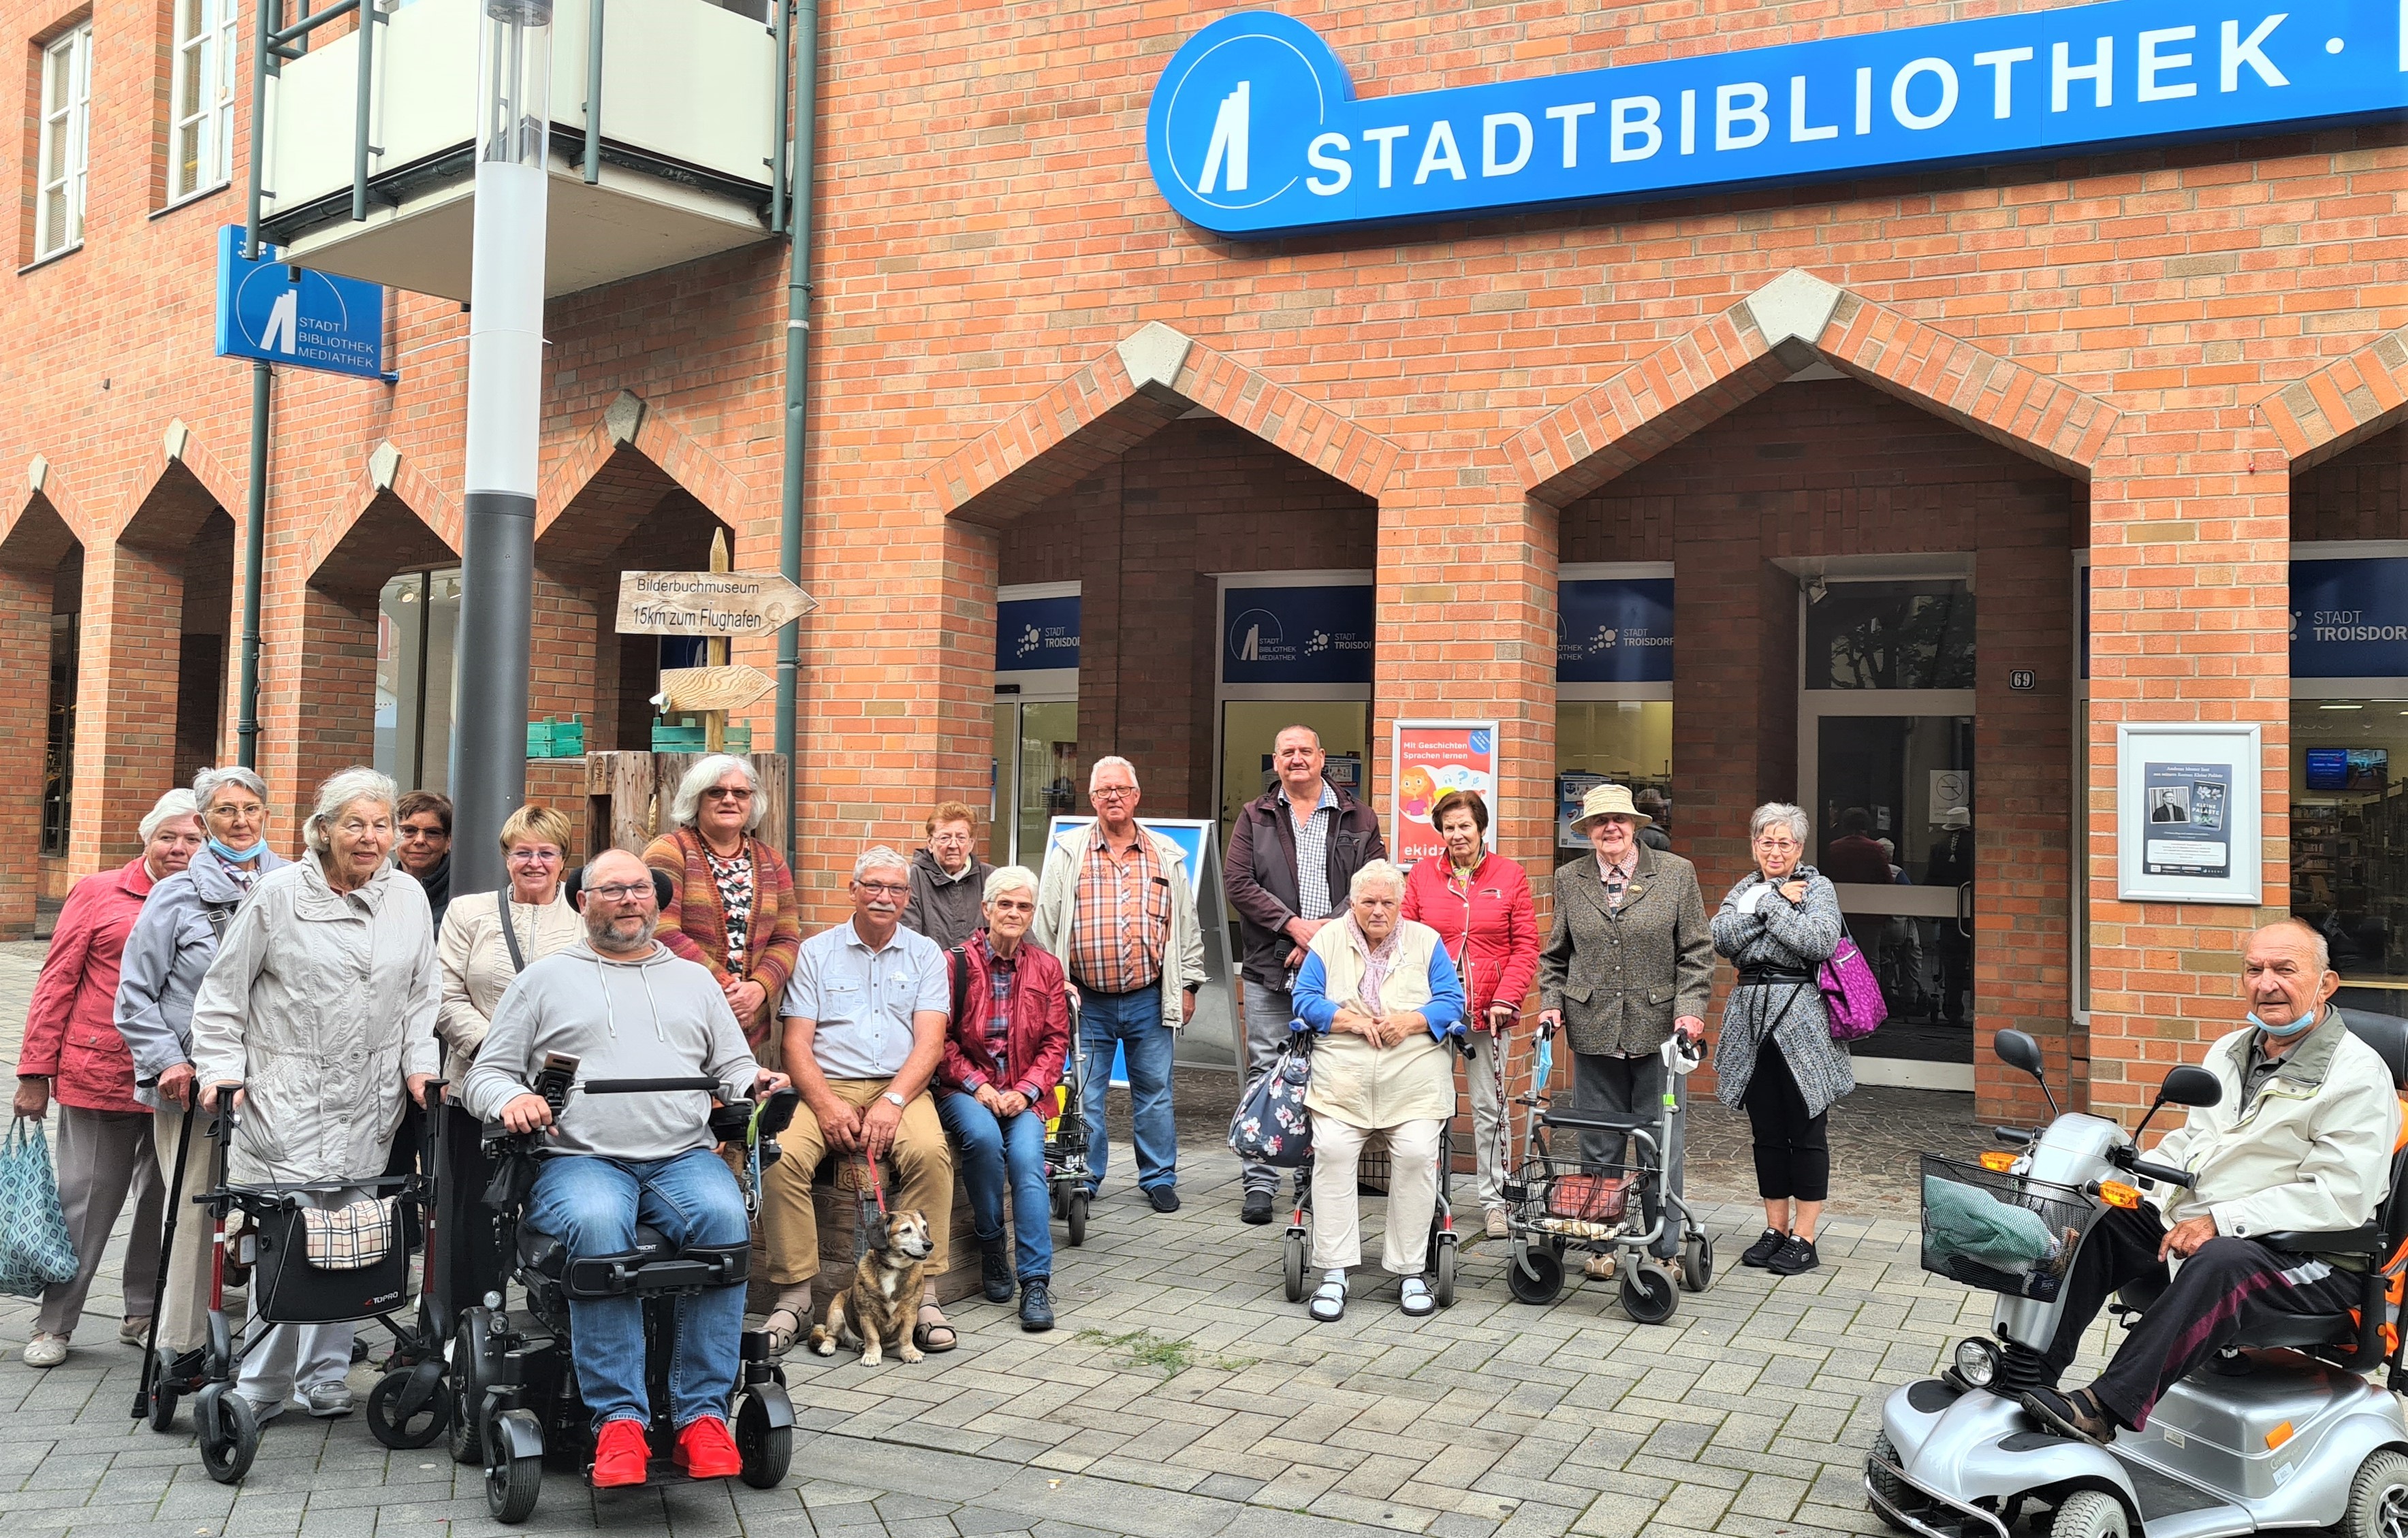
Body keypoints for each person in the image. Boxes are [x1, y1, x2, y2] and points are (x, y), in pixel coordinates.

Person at [462, 847, 790, 1489]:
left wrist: (756, 1080)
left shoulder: (694, 981)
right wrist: (513, 1097)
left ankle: (701, 1416)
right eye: (613, 890)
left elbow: (731, 1067)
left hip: (681, 1154)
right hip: (580, 1159)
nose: (629, 901)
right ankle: (618, 1422)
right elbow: (486, 1073)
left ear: (657, 899)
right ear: (583, 901)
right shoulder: (545, 979)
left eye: (640, 889)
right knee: (598, 1224)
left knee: (725, 1218)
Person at [2021, 920, 2401, 1444]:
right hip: (2215, 1229)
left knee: (2222, 1261)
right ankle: (2026, 1376)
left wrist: (2223, 1219)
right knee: (2102, 1220)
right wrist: (2128, 1177)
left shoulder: (2357, 1074)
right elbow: (2196, 1142)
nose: (2266, 983)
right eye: (2255, 969)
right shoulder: (2229, 1051)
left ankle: (2104, 1408)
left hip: (2314, 1257)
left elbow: (2340, 1195)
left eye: (2285, 969)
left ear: (2326, 983)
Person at [189, 767, 439, 1425]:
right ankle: (262, 1384)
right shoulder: (278, 893)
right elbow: (222, 994)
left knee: (352, 1235)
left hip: (370, 1094)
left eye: (381, 824)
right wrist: (219, 1069)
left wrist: (421, 1067)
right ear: (323, 829)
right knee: (289, 1232)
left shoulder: (408, 897)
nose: (371, 836)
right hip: (287, 1092)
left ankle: (325, 1373)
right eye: (355, 823)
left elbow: (422, 996)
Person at [12, 789, 203, 1367]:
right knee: (85, 1200)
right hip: (102, 1072)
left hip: (181, 1080)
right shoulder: (99, 892)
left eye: (193, 838)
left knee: (162, 1200)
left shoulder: (212, 896)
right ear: (147, 838)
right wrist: (33, 1072)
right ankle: (55, 1323)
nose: (180, 848)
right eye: (169, 836)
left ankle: (143, 1312)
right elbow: (55, 983)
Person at [116, 765, 289, 1382]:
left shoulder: (295, 882)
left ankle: (281, 1346)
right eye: (224, 811)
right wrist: (169, 1059)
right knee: (197, 1215)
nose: (240, 821)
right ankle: (182, 1347)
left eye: (250, 809)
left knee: (280, 1210)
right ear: (204, 819)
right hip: (194, 1089)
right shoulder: (176, 893)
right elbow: (134, 995)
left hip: (277, 1084)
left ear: (267, 815)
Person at [759, 846, 960, 1356]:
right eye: (872, 885)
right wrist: (825, 1104)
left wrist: (894, 1101)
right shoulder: (816, 951)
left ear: (908, 898)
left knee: (930, 1155)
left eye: (895, 888)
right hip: (828, 1083)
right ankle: (796, 1295)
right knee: (779, 1158)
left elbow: (930, 1043)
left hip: (900, 1083)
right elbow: (796, 1044)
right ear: (852, 890)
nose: (883, 896)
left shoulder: (925, 955)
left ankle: (926, 1293)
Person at [1536, 782, 1711, 1275]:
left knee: (1661, 1141)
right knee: (1599, 1142)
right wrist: (1552, 1005)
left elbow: (1696, 952)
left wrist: (1691, 1009)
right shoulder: (1570, 878)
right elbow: (1555, 956)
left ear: (1635, 825)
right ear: (1587, 830)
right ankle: (1602, 1243)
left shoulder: (1676, 873)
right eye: (1599, 822)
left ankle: (1665, 1249)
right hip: (1593, 1030)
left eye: (1619, 819)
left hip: (1661, 1032)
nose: (1610, 828)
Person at [1224, 725, 1384, 1225]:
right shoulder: (1255, 816)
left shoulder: (1360, 816)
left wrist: (1325, 936)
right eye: (1287, 752)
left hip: (1336, 966)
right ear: (1276, 761)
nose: (1297, 759)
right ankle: (1259, 1179)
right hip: (1270, 963)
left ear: (1322, 757)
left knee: (1327, 1070)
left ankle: (1312, 1180)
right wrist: (1293, 927)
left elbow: (1371, 884)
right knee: (1266, 1068)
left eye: (1305, 751)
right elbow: (1238, 882)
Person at [1292, 861, 1466, 1321]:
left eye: (1388, 902)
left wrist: (1411, 1020)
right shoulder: (1327, 940)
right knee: (1330, 1149)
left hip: (1411, 1079)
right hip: (1342, 1081)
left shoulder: (1426, 942)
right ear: (1353, 902)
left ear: (1400, 903)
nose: (1378, 910)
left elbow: (1451, 1002)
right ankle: (1334, 1271)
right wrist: (1350, 1020)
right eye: (1369, 901)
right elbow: (1305, 999)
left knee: (1414, 1154)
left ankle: (1409, 1270)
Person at [1034, 757, 1205, 1214]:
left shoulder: (1164, 852)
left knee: (1155, 1091)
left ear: (1136, 796)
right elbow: (1046, 926)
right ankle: (1085, 1177)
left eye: (1121, 789)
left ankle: (1158, 1177)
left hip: (1149, 996)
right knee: (1087, 1094)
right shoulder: (1068, 852)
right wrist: (1054, 988)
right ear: (1091, 799)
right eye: (1103, 790)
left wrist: (1189, 984)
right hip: (1086, 1000)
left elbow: (1186, 925)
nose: (1113, 796)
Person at [433, 803, 582, 1321]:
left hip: (560, 1098)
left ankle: (553, 1321)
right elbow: (445, 995)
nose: (534, 862)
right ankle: (465, 1327)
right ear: (506, 856)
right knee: (474, 1213)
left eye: (546, 852)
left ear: (564, 859)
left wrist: (542, 1071)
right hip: (473, 1089)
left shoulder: (585, 921)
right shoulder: (467, 913)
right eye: (523, 852)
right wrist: (500, 1058)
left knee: (556, 1208)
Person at [1711, 803, 1853, 1277]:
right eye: (1766, 841)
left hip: (1802, 1022)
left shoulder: (1818, 887)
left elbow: (1818, 942)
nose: (1775, 850)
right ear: (1754, 845)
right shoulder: (1745, 888)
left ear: (1800, 847)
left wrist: (1766, 907)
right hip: (1751, 1023)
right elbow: (1722, 936)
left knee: (1806, 1129)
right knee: (1767, 1131)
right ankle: (1775, 1228)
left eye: (1784, 842)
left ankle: (1805, 1235)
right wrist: (1775, 901)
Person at [935, 865, 1071, 1331]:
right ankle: (993, 1245)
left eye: (1024, 906)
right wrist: (982, 1086)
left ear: (1032, 913)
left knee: (1030, 1163)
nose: (1015, 913)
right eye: (1006, 904)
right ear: (987, 908)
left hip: (1024, 1094)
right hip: (966, 1089)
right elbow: (942, 1041)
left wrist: (1027, 1090)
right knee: (983, 1140)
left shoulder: (1047, 967)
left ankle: (1035, 1280)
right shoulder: (956, 964)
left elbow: (1056, 1043)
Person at [1399, 789, 1537, 1240]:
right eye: (1449, 826)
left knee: (1489, 1107)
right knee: (1427, 1106)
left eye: (1465, 826)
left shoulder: (1510, 875)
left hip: (1490, 1012)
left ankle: (1495, 1202)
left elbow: (1525, 947)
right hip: (1432, 1012)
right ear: (1440, 831)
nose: (1457, 834)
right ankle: (1428, 1198)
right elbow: (1404, 940)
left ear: (1481, 828)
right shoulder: (1421, 875)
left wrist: (1507, 997)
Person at [645, 754, 804, 1056]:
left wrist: (759, 988)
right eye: (716, 792)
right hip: (679, 1014)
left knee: (737, 1099)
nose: (729, 800)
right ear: (697, 800)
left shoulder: (772, 861)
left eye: (740, 793)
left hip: (745, 1019)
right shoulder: (670, 851)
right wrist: (725, 988)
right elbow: (659, 929)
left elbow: (787, 938)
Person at [902, 800, 995, 951]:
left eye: (961, 838)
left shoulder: (992, 878)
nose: (953, 845)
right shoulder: (912, 879)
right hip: (932, 971)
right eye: (945, 838)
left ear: (971, 843)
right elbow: (909, 937)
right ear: (930, 843)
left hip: (984, 973)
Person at [1925, 807, 1975, 1025]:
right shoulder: (1975, 846)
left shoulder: (1939, 848)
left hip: (1949, 915)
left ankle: (1953, 1009)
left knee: (1952, 963)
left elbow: (1930, 883)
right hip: (1973, 915)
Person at [396, 790, 455, 929]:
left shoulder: (464, 888)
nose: (420, 840)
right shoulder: (378, 888)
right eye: (409, 830)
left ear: (448, 841)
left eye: (432, 833)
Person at [1634, 788, 1672, 852]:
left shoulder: (1637, 831)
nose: (1664, 802)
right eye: (1663, 808)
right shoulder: (1660, 838)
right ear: (1659, 810)